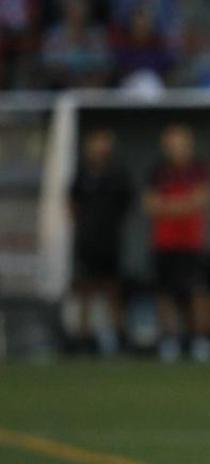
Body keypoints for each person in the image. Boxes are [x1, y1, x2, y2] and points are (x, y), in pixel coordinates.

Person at [143, 123, 210, 362]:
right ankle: (170, 340)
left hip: (192, 244)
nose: (178, 150)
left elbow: (201, 201)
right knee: (165, 294)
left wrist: (169, 207)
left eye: (182, 145)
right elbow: (150, 206)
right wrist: (183, 205)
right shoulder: (157, 172)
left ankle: (199, 340)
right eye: (173, 145)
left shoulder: (198, 169)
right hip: (163, 244)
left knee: (197, 292)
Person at [67, 128, 133, 356]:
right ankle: (83, 339)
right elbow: (72, 204)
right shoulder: (82, 175)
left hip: (109, 240)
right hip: (86, 240)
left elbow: (126, 204)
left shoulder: (118, 174)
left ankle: (120, 338)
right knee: (85, 290)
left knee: (112, 289)